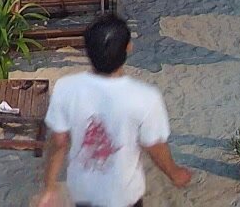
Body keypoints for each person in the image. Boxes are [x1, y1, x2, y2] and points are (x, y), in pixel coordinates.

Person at [37, 14, 192, 207]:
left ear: (87, 50)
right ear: (128, 47)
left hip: (84, 192)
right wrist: (174, 173)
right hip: (124, 195)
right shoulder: (146, 96)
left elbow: (59, 142)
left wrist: (50, 186)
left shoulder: (66, 88)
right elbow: (154, 146)